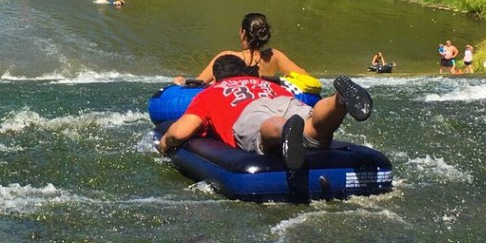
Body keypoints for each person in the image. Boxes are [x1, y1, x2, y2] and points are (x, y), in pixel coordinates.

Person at [156, 55, 373, 168]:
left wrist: (165, 142)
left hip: (248, 112)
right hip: (284, 99)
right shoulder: (269, 84)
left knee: (267, 129)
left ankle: (285, 130)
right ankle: (339, 100)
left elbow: (181, 132)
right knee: (315, 126)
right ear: (244, 72)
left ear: (216, 78)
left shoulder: (211, 92)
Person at [175, 12, 307, 85]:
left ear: (243, 33)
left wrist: (182, 82)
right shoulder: (275, 56)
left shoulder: (227, 56)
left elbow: (198, 83)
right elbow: (304, 76)